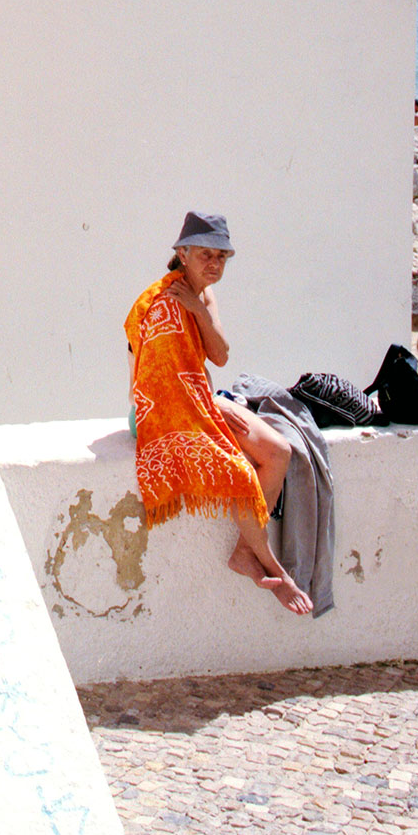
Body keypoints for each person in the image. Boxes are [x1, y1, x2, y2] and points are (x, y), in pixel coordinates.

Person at [124, 213, 313, 615]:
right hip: (158, 407)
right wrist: (207, 407)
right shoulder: (164, 302)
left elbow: (220, 355)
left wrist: (201, 310)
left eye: (221, 257)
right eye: (205, 254)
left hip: (197, 395)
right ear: (182, 253)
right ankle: (274, 569)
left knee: (279, 451)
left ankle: (245, 551)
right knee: (240, 472)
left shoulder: (200, 295)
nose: (214, 264)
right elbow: (155, 382)